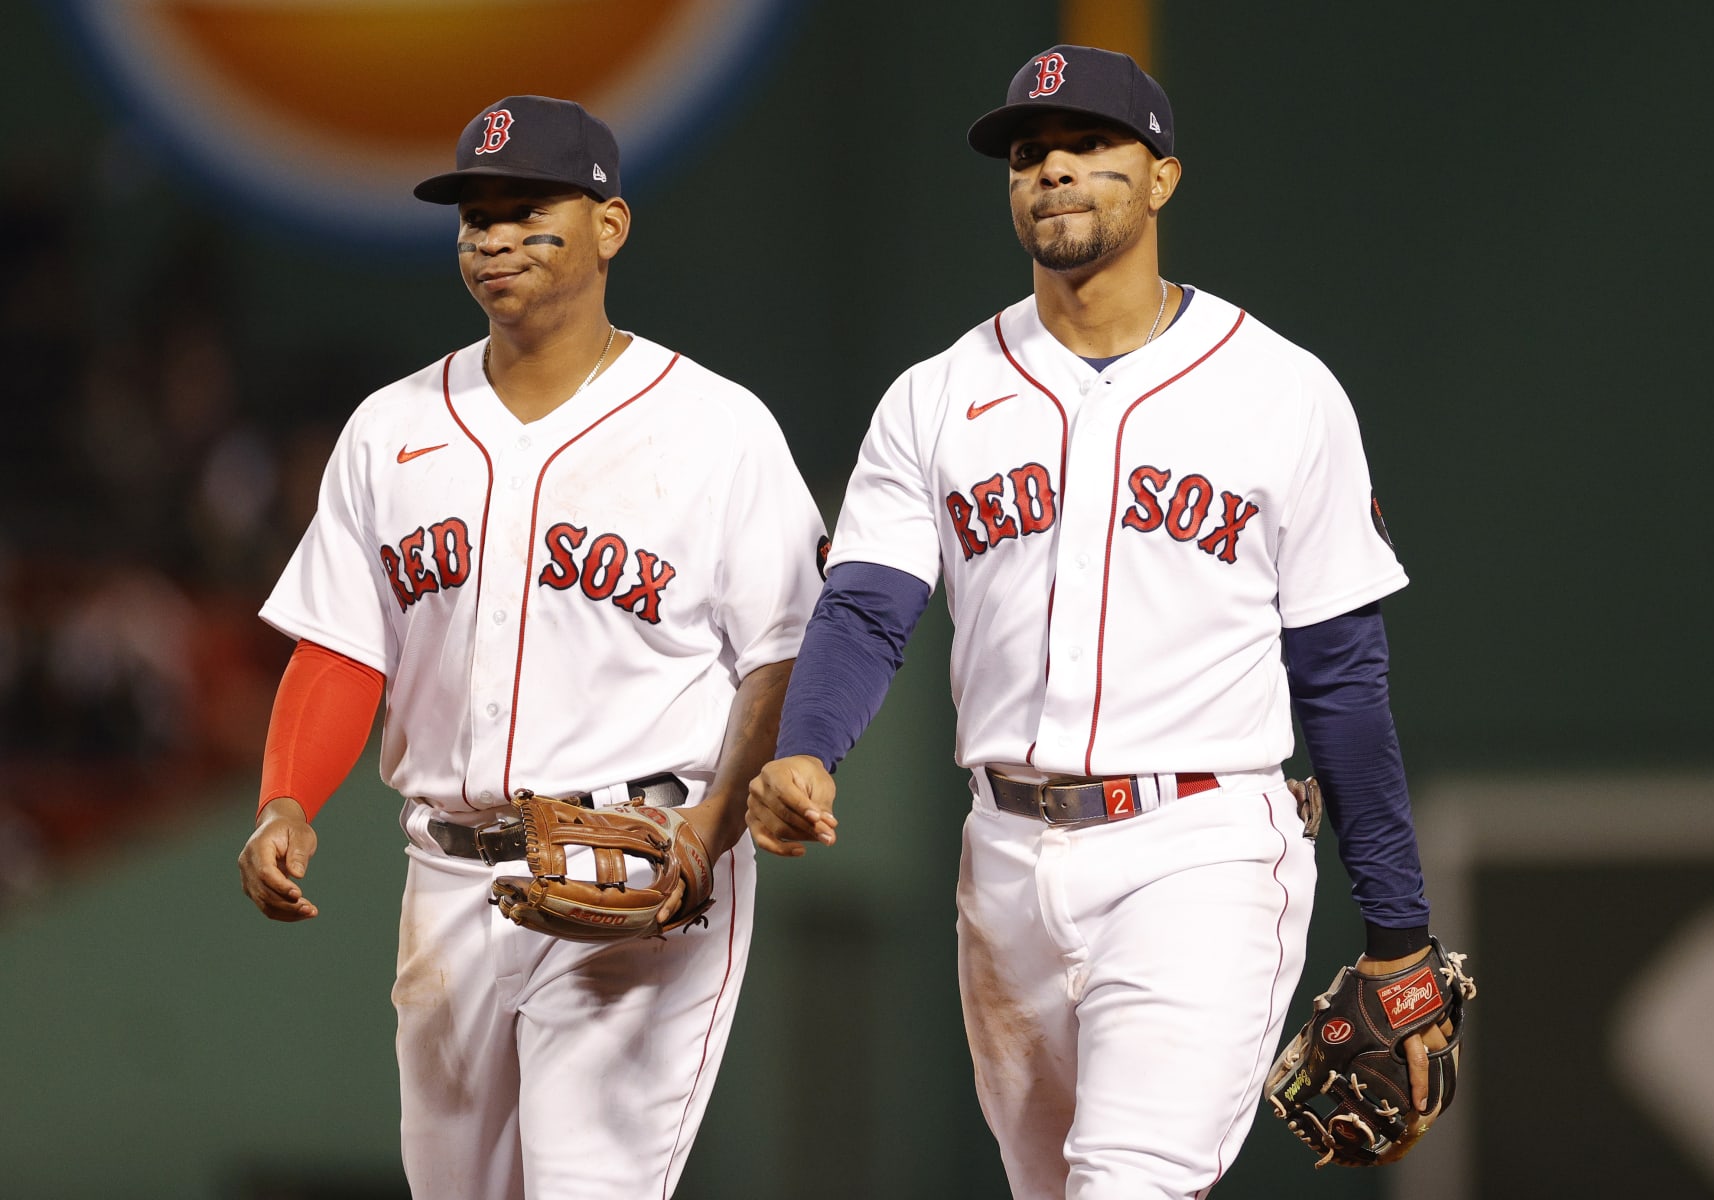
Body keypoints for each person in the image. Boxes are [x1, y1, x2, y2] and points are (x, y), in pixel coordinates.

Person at [748, 46, 1449, 1198]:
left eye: (1089, 148)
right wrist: (808, 750)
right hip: (1007, 854)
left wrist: (1400, 928)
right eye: (1030, 155)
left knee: (1127, 1184)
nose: (1055, 171)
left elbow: (1340, 675)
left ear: (1163, 178)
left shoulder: (1281, 390)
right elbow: (869, 606)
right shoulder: (936, 395)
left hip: (1203, 842)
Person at [237, 95, 825, 1199]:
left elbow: (783, 654)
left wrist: (710, 825)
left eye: (526, 210)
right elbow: (343, 647)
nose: (493, 237)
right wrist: (286, 800)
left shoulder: (717, 427)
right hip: (447, 877)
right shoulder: (392, 427)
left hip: (641, 859)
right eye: (475, 215)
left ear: (610, 226)